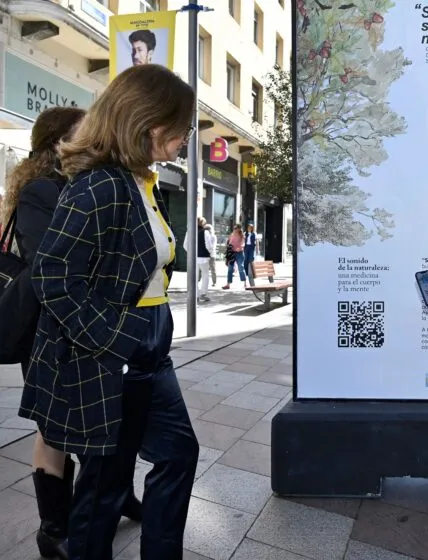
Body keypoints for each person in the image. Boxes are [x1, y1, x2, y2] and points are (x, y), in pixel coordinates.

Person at [18, 64, 200, 560]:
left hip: (151, 352)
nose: (186, 138)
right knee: (105, 486)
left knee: (177, 454)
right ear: (150, 123)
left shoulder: (142, 180)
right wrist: (115, 341)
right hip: (114, 354)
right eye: (182, 127)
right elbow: (53, 274)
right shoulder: (100, 185)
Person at [1, 107, 144, 560]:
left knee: (99, 419)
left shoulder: (89, 184)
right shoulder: (41, 191)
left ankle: (116, 494)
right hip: (47, 331)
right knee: (54, 429)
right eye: (87, 131)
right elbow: (50, 264)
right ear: (60, 140)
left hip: (88, 324)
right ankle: (53, 528)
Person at [184, 216, 214, 302]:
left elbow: (185, 245)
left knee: (194, 276)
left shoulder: (189, 231)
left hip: (193, 258)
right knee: (205, 275)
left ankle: (196, 295)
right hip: (204, 257)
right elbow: (208, 245)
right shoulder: (205, 232)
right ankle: (203, 294)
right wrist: (211, 253)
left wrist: (191, 253)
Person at [222, 224, 246, 290]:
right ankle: (228, 284)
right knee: (230, 268)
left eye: (236, 228)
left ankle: (245, 283)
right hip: (232, 253)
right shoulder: (232, 234)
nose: (234, 229)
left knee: (241, 267)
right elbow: (229, 242)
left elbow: (243, 243)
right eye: (234, 228)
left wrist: (240, 247)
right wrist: (228, 247)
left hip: (239, 253)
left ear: (239, 229)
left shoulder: (242, 235)